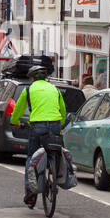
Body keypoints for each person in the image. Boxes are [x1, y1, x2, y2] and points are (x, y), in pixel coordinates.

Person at [9, 65, 68, 209]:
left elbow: (18, 109)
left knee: (31, 156)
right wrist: (60, 124)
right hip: (54, 125)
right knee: (55, 151)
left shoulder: (28, 90)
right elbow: (63, 109)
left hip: (37, 126)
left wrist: (14, 121)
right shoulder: (54, 89)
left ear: (32, 78)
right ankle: (54, 176)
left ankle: (30, 192)